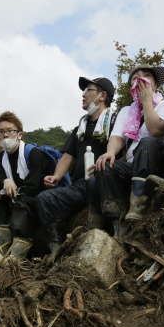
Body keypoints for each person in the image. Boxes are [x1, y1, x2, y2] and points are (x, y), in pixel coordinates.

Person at [87, 65, 164, 228]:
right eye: (136, 77)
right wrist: (110, 152)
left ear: (155, 84)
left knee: (147, 142)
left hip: (158, 163)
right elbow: (117, 137)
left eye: (146, 76)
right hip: (134, 166)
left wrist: (147, 101)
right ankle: (118, 223)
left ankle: (139, 206)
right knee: (105, 166)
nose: (141, 79)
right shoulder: (127, 111)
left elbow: (156, 130)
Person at [36, 76, 116, 253]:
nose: (83, 94)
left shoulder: (114, 121)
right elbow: (67, 157)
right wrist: (56, 177)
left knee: (96, 183)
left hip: (103, 182)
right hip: (80, 186)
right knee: (45, 198)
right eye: (84, 90)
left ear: (102, 95)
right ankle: (57, 244)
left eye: (89, 90)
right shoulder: (81, 127)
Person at [0, 111, 50, 260]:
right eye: (1, 132)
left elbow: (32, 187)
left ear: (19, 134)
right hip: (16, 197)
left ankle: (19, 248)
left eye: (10, 131)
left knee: (19, 200)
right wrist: (6, 181)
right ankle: (3, 241)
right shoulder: (2, 157)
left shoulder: (33, 154)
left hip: (34, 199)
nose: (5, 135)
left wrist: (0, 194)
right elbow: (0, 182)